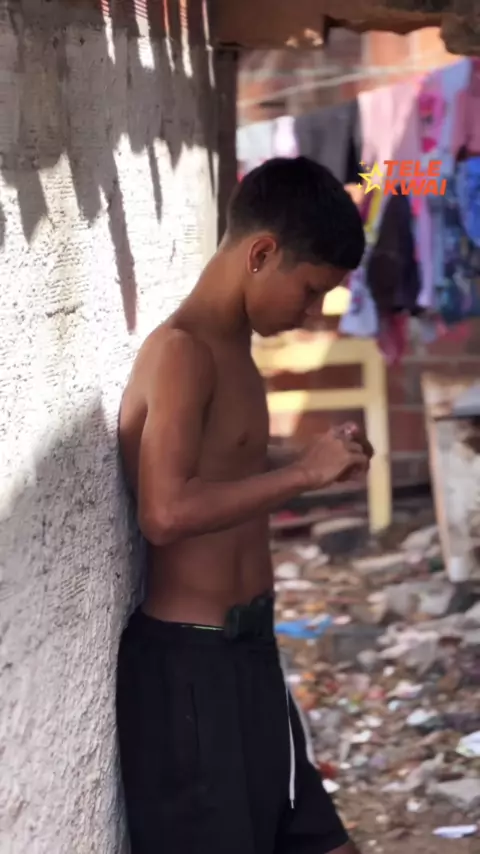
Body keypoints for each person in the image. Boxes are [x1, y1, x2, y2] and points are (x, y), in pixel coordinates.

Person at [117, 156, 372, 854]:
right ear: (261, 254)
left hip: (249, 656)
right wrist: (305, 477)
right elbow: (164, 513)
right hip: (192, 675)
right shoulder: (182, 352)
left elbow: (226, 469)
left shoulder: (233, 348)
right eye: (310, 290)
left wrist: (315, 457)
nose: (312, 313)